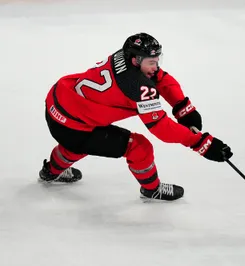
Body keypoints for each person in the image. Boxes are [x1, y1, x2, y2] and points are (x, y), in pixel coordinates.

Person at [39, 32, 233, 201]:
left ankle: (51, 172)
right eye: (152, 62)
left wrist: (184, 108)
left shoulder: (124, 56)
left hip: (57, 102)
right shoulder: (138, 87)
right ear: (136, 60)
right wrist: (201, 143)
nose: (156, 67)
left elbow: (160, 78)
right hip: (73, 126)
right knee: (138, 147)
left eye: (158, 60)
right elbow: (162, 129)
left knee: (80, 143)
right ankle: (152, 189)